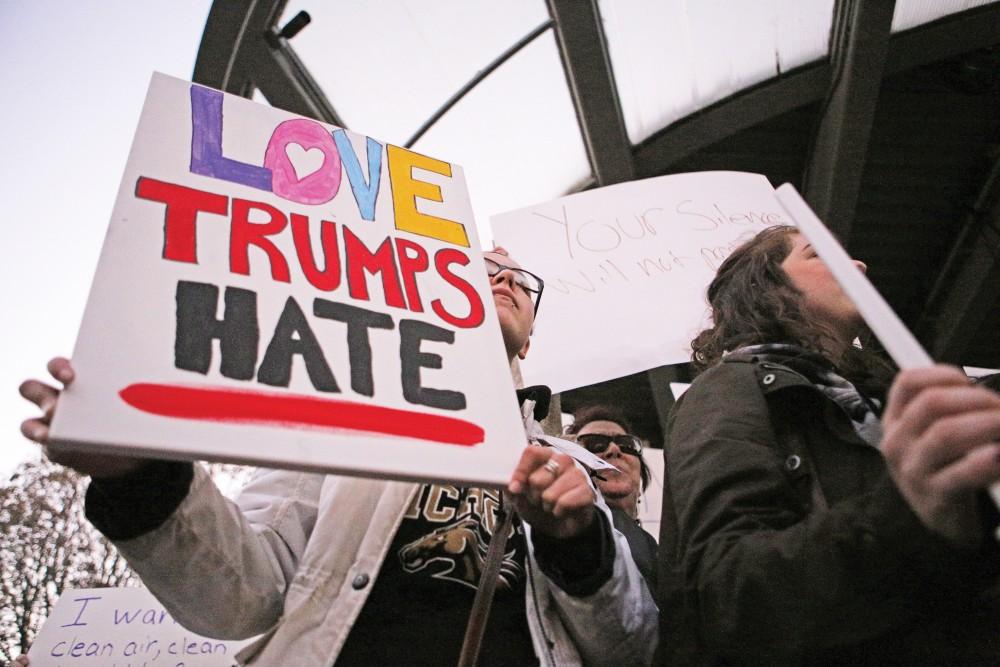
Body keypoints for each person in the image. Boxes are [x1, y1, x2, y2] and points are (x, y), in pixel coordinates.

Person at [20, 248, 658, 666]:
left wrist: (578, 544)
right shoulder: (343, 420)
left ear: (534, 324)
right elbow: (241, 599)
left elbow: (633, 646)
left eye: (521, 278)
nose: (504, 278)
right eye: (481, 265)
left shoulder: (570, 468)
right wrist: (144, 480)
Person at [657, 225, 1000, 665]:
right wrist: (907, 514)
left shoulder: (879, 399)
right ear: (765, 286)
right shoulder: (727, 388)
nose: (858, 265)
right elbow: (732, 594)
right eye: (819, 254)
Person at [566, 405, 657, 592]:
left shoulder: (663, 551)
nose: (615, 449)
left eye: (627, 444)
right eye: (595, 444)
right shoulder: (560, 537)